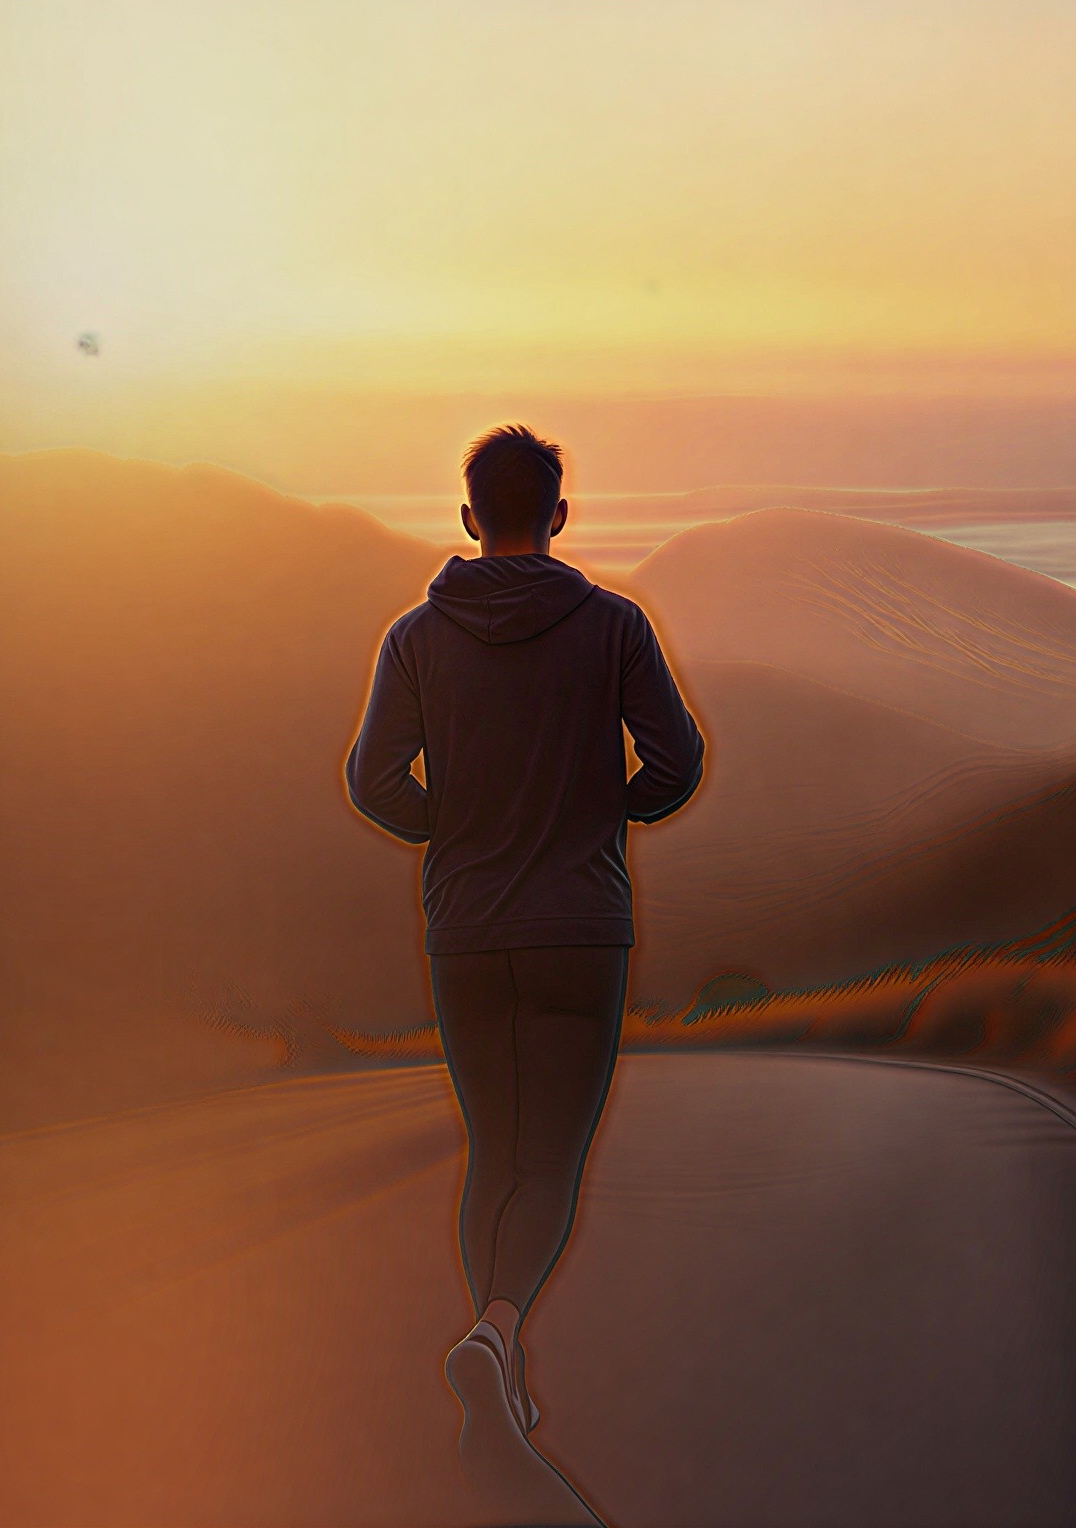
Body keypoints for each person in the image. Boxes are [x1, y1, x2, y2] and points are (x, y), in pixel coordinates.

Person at [344, 424, 705, 1443]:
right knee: (550, 1160)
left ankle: (492, 1368)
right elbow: (677, 762)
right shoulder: (615, 628)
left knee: (494, 1154)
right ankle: (497, 1335)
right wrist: (603, 810)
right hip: (581, 929)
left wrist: (451, 827)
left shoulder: (414, 638)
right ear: (556, 514)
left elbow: (372, 780)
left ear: (469, 518)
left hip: (466, 931)